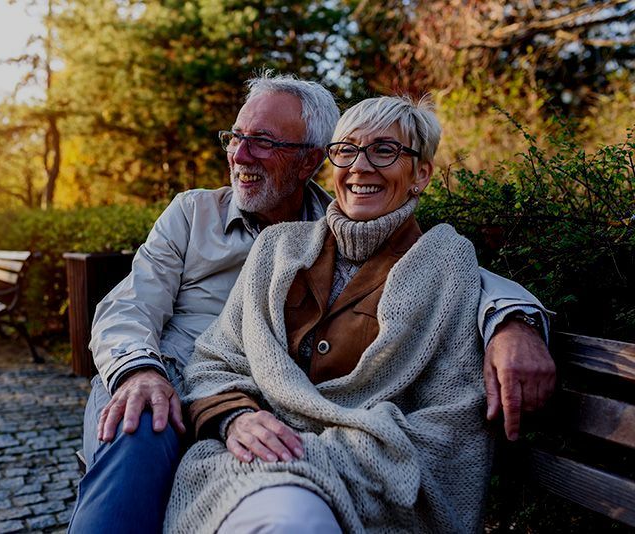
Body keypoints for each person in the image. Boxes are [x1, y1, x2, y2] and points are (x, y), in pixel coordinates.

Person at [68, 74, 554, 533]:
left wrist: (515, 321)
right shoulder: (196, 214)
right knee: (138, 424)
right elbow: (128, 307)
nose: (241, 154)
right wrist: (140, 372)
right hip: (167, 380)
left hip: (262, 418)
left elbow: (449, 269)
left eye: (263, 141)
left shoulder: (341, 223)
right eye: (235, 137)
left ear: (309, 160)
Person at [166, 94, 494, 533]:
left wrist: (311, 453)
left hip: (367, 479)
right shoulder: (276, 248)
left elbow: (452, 419)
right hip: (244, 465)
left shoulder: (447, 263)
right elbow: (215, 360)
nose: (361, 166)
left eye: (385, 150)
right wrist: (235, 417)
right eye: (346, 150)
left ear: (421, 174)